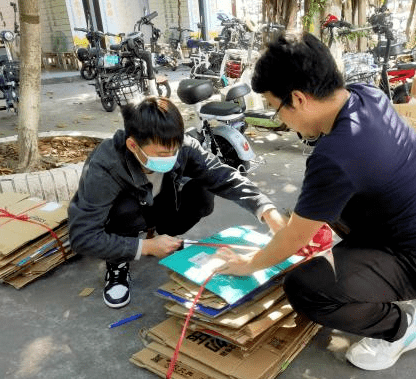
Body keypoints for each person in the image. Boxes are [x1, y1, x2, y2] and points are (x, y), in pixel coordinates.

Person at [214, 33, 416, 371]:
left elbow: (294, 237)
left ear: (299, 99)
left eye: (276, 109)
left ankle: (401, 328)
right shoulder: (365, 95)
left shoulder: (337, 156)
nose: (281, 120)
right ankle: (365, 274)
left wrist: (250, 264)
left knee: (304, 288)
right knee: (314, 210)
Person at [68, 96, 285, 309]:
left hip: (158, 204)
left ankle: (165, 237)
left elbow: (222, 175)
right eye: (163, 153)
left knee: (202, 193)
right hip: (125, 216)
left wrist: (266, 210)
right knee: (126, 210)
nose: (171, 156)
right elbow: (82, 236)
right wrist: (145, 246)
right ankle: (118, 260)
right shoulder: (105, 166)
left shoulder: (182, 145)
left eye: (175, 150)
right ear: (133, 145)